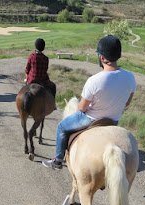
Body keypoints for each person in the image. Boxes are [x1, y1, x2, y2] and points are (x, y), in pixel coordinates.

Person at [42, 35, 136, 170]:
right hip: (113, 121)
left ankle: (57, 160)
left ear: (102, 58)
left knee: (61, 127)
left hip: (91, 119)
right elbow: (126, 104)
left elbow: (82, 108)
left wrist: (85, 106)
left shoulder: (94, 80)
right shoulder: (130, 77)